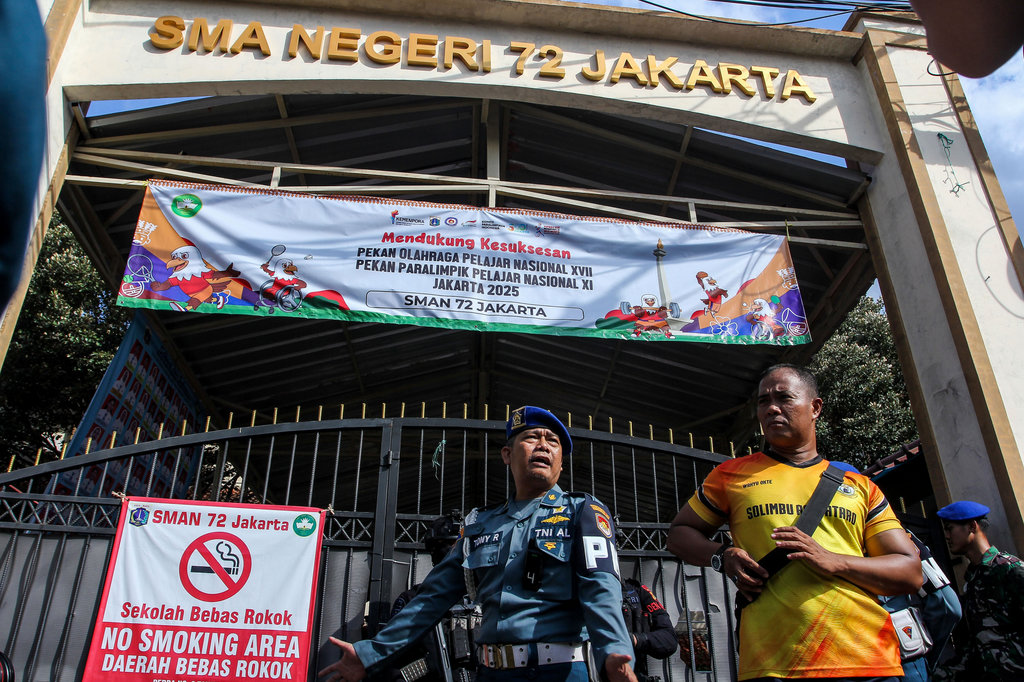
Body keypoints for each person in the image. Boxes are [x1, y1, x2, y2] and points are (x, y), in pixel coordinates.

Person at [320, 405, 637, 682]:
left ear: (561, 463)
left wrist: (616, 651)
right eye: (532, 438)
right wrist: (372, 652)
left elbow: (601, 587)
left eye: (552, 441)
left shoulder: (581, 511)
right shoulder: (479, 524)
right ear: (507, 454)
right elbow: (431, 598)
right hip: (491, 673)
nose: (544, 445)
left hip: (560, 672)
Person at [666, 364, 923, 681]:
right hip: (773, 664)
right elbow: (679, 534)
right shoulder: (730, 475)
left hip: (867, 661)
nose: (771, 408)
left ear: (815, 408)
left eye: (784, 397)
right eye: (763, 401)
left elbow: (910, 571)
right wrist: (722, 556)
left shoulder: (859, 485)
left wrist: (835, 562)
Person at [828, 463, 962, 682]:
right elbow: (947, 605)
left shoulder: (814, 542)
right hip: (903, 659)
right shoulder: (901, 538)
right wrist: (925, 654)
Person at [381, 511, 481, 682]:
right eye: (448, 544)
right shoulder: (413, 600)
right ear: (433, 550)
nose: (454, 551)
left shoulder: (484, 596)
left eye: (458, 545)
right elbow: (392, 656)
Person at [932, 500, 1024, 681]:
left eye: (950, 529)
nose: (947, 536)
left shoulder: (1009, 570)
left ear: (972, 526)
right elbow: (979, 642)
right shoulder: (974, 579)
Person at [619, 576, 677, 682]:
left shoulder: (634, 590)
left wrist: (635, 639)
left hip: (632, 673)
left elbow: (669, 640)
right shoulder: (584, 586)